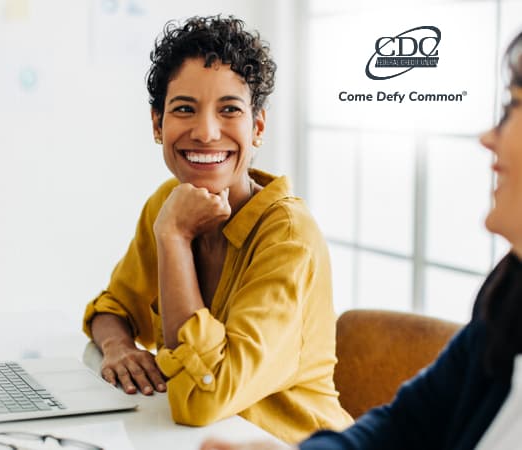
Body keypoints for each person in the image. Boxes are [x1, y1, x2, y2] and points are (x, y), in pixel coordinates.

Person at [200, 29, 522, 450]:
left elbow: (206, 393)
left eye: (512, 107)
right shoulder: (508, 298)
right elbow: (407, 426)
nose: (488, 137)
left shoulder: (287, 232)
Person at [81, 15, 353, 444]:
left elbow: (202, 399)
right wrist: (120, 348)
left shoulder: (287, 236)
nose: (206, 133)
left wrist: (173, 238)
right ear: (157, 124)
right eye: (184, 109)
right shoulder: (168, 202)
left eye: (229, 109)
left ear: (257, 126)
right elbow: (114, 307)